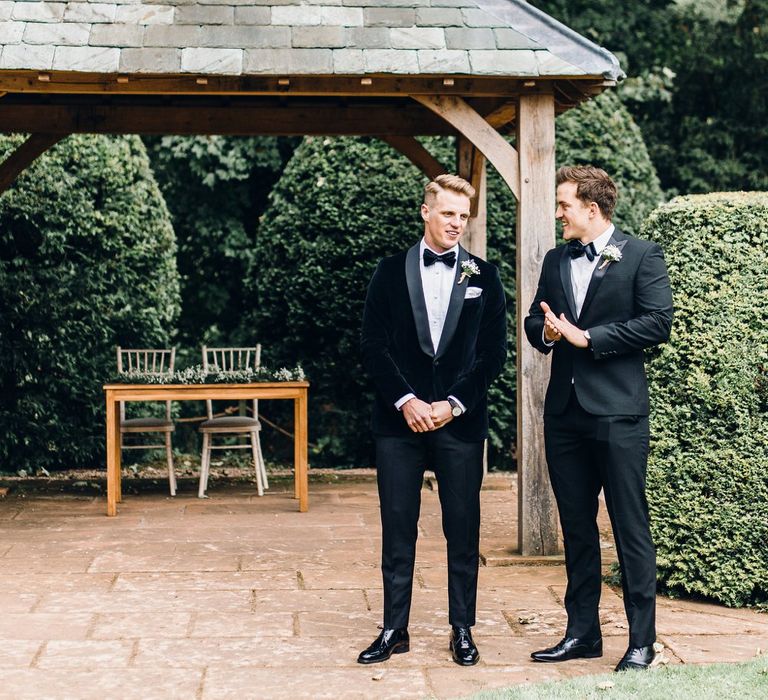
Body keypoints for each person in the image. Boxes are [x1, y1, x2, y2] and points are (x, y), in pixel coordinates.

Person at [524, 165, 673, 672]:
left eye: (564, 204)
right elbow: (533, 320)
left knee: (630, 526)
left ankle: (642, 642)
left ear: (592, 208)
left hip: (617, 413)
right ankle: (582, 633)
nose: (559, 213)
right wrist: (547, 332)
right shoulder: (555, 258)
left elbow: (657, 323)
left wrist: (590, 339)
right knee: (577, 528)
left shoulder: (641, 255)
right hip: (564, 414)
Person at [358, 174, 507, 666]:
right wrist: (406, 400)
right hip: (399, 425)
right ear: (426, 212)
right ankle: (394, 629)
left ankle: (462, 628)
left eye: (464, 216)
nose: (456, 224)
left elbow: (491, 355)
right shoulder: (387, 272)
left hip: (459, 425)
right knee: (397, 528)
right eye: (448, 213)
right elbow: (373, 347)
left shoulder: (484, 277)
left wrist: (452, 404)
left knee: (462, 529)